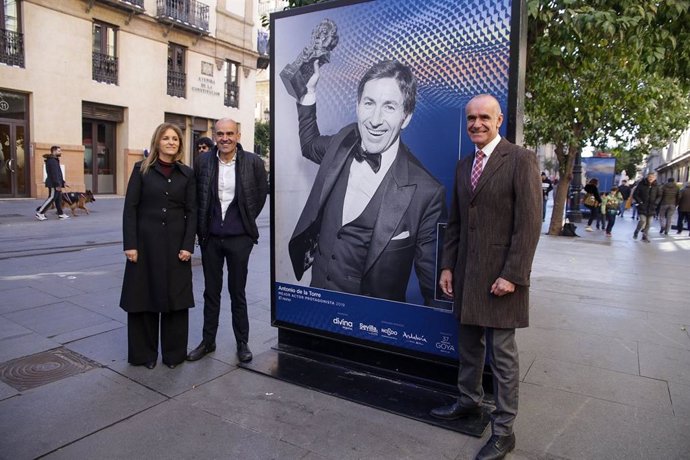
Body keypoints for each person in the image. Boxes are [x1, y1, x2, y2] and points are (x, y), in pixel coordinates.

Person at [431, 94, 541, 460]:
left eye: (483, 118)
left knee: (503, 357)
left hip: (501, 280)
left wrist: (513, 275)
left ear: (499, 120)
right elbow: (457, 223)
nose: (476, 124)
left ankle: (505, 430)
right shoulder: (465, 166)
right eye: (471, 119)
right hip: (466, 275)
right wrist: (447, 266)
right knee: (468, 346)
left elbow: (529, 225)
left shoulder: (521, 160)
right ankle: (469, 401)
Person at [287, 59, 445, 305]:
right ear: (358, 105)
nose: (375, 120)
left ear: (406, 116)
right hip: (318, 303)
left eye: (389, 107)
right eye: (369, 103)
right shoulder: (341, 142)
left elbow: (432, 285)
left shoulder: (427, 192)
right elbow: (309, 145)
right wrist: (308, 93)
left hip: (373, 326)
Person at [187, 118, 268, 363]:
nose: (225, 138)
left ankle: (242, 342)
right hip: (211, 238)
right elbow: (197, 198)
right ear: (214, 135)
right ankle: (208, 341)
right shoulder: (202, 162)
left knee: (237, 291)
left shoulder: (252, 162)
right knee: (211, 292)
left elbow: (260, 194)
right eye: (220, 133)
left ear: (238, 135)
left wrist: (245, 220)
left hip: (239, 239)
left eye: (230, 133)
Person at [119, 123, 196, 369]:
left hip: (176, 246)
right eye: (166, 138)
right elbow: (130, 208)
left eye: (175, 138)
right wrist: (130, 244)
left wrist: (188, 245)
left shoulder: (187, 174)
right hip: (144, 244)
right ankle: (145, 355)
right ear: (157, 142)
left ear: (180, 144)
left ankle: (174, 355)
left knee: (176, 299)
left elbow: (192, 212)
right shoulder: (141, 169)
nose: (171, 142)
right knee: (143, 298)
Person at [35, 146, 70, 220]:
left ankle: (61, 214)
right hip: (54, 184)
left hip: (57, 183)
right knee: (52, 198)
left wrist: (63, 182)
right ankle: (40, 213)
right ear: (54, 151)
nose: (61, 152)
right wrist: (57, 184)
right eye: (59, 151)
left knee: (58, 199)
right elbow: (54, 174)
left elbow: (58, 173)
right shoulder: (52, 161)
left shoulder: (55, 160)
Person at [632, 171, 660, 243]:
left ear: (655, 178)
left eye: (652, 177)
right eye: (650, 177)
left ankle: (645, 236)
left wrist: (656, 203)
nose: (651, 178)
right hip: (642, 206)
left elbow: (659, 196)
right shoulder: (641, 185)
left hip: (652, 207)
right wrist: (640, 202)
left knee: (649, 223)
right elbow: (635, 194)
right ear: (647, 177)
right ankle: (636, 231)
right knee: (642, 220)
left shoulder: (657, 186)